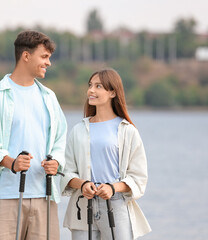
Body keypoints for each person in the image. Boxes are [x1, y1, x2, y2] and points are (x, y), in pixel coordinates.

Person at [0, 30, 67, 240]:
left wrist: (57, 162)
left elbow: (60, 139)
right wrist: (12, 162)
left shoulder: (49, 97)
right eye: (44, 57)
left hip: (44, 196)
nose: (48, 63)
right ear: (26, 56)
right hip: (4, 196)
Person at [61, 69, 151, 239]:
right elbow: (66, 172)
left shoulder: (128, 131)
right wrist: (82, 184)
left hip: (116, 206)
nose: (91, 91)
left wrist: (112, 188)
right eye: (90, 85)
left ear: (112, 92)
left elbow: (138, 176)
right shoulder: (78, 130)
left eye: (98, 86)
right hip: (82, 205)